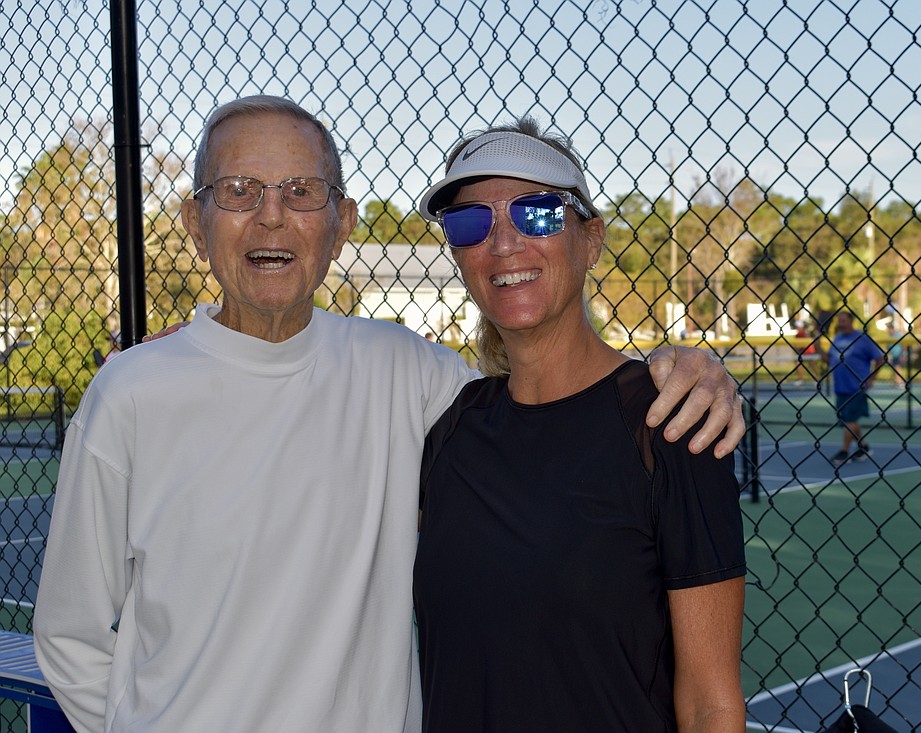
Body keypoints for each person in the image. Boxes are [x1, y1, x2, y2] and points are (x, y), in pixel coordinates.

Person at [33, 96, 744, 733]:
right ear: (196, 220)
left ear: (340, 224)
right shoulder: (130, 394)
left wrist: (690, 365)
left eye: (301, 191)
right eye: (240, 190)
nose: (271, 214)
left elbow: (556, 397)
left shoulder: (407, 373)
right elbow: (69, 634)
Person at [413, 118, 746, 732]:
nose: (504, 243)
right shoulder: (450, 429)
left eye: (538, 214)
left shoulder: (669, 421)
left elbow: (710, 704)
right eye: (470, 224)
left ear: (590, 240)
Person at [826, 311, 884, 466]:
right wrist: (817, 345)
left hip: (856, 386)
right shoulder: (837, 338)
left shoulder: (862, 339)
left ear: (851, 321)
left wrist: (872, 377)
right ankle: (863, 446)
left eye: (843, 320)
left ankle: (844, 451)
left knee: (850, 419)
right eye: (839, 321)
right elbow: (829, 358)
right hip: (841, 386)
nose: (841, 323)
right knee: (848, 419)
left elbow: (880, 358)